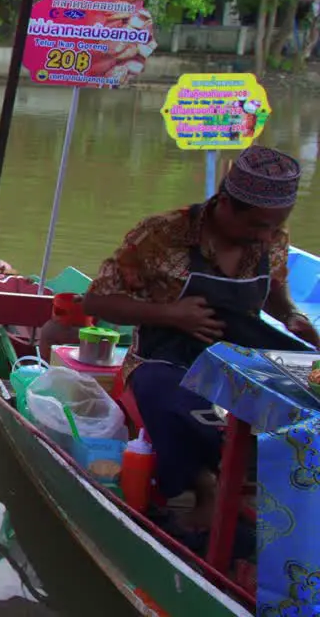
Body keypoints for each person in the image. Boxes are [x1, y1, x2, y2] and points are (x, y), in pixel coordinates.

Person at [83, 145, 319, 530]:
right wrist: (170, 314)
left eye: (276, 227)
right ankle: (205, 486)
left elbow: (275, 289)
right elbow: (97, 300)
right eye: (259, 226)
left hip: (239, 349)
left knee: (313, 382)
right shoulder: (161, 235)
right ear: (224, 203)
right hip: (166, 355)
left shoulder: (271, 237)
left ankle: (273, 483)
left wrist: (291, 314)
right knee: (167, 395)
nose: (269, 236)